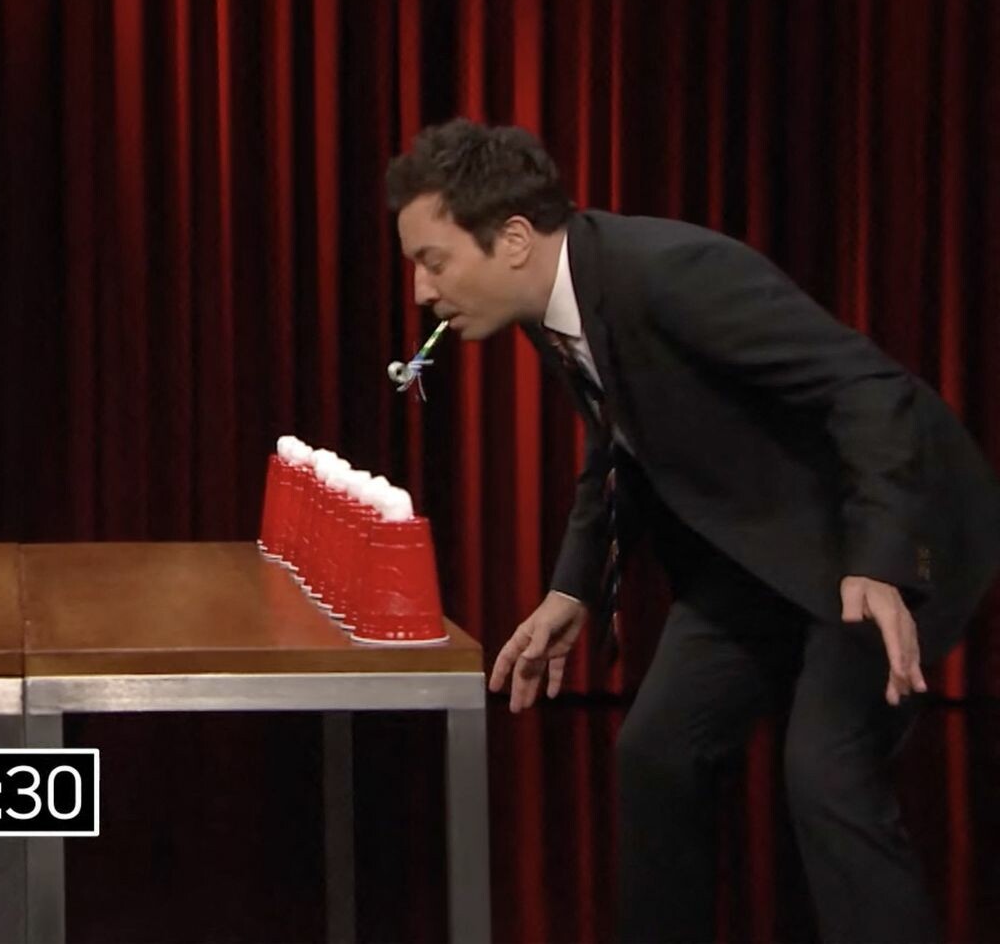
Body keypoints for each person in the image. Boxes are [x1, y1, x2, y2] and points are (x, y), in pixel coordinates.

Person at [385, 119, 1000, 942]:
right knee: (658, 751)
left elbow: (868, 387)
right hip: (763, 544)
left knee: (827, 770)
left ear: (516, 240)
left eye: (434, 261)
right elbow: (617, 441)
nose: (422, 291)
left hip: (880, 525)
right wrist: (573, 587)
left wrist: (881, 560)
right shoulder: (548, 305)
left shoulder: (669, 273)